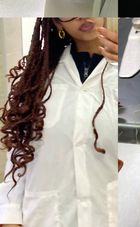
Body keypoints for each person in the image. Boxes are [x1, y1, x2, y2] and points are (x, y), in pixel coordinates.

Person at [0, 17, 118, 227]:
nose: (82, 14)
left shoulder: (127, 69)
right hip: (43, 218)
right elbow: (17, 158)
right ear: (57, 23)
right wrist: (9, 220)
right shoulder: (34, 79)